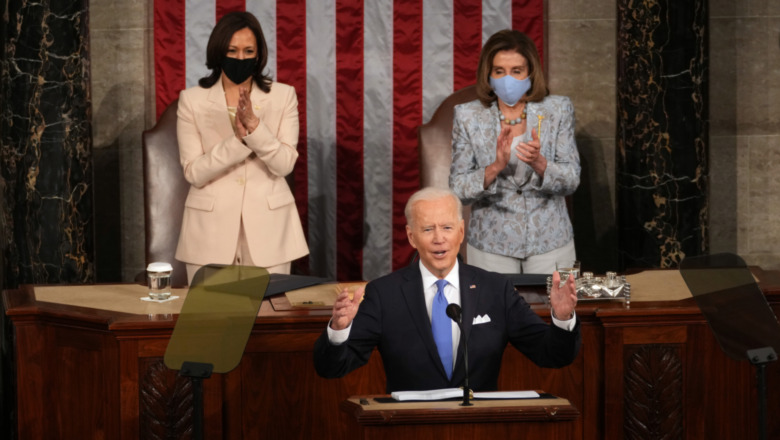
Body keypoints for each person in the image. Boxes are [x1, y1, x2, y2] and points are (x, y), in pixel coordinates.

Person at [313, 187, 580, 393]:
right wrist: (338, 330)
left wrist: (562, 319)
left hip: (479, 427)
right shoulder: (385, 295)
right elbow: (333, 368)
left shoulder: (495, 289)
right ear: (411, 236)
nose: (439, 238)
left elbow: (552, 355)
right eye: (428, 229)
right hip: (410, 428)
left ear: (461, 232)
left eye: (447, 228)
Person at [175, 11, 308, 285]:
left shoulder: (284, 96)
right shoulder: (192, 101)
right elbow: (194, 172)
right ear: (218, 52)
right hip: (208, 235)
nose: (240, 58)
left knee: (269, 323)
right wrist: (237, 141)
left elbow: (284, 164)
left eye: (249, 51)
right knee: (211, 323)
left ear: (259, 55)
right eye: (232, 50)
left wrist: (256, 129)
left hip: (271, 234)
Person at [449, 29, 580, 274]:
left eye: (516, 71)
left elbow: (571, 180)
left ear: (531, 72)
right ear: (488, 75)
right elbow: (458, 190)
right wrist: (494, 167)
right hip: (491, 245)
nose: (508, 79)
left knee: (555, 313)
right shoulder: (467, 116)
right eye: (499, 71)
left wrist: (540, 164)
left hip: (550, 243)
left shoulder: (558, 110)